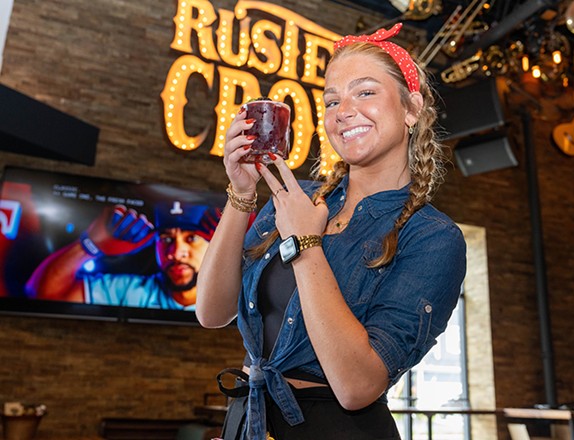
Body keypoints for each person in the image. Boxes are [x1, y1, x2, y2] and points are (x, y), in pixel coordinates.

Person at [196, 23, 467, 440]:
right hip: (249, 419)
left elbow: (358, 386)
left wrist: (307, 246)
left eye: (365, 92)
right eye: (332, 100)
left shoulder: (432, 237)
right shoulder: (295, 198)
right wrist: (242, 191)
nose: (343, 111)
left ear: (412, 108)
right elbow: (211, 313)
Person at [26, 201, 223, 309]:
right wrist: (90, 246)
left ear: (211, 244)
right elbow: (43, 295)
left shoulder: (232, 298)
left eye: (191, 239)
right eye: (166, 239)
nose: (176, 253)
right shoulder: (129, 290)